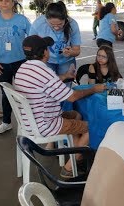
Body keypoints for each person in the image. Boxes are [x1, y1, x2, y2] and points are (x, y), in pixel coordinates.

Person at [14, 35, 106, 178]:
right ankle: (69, 168)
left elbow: (45, 84)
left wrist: (64, 76)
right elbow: (72, 96)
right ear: (45, 52)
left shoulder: (24, 68)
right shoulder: (45, 72)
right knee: (94, 127)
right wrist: (94, 89)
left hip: (30, 120)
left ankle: (76, 153)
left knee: (76, 115)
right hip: (46, 124)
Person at [0, 0, 32, 134]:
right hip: (1, 63)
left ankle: (28, 122)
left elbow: (32, 38)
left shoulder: (22, 20)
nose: (4, 3)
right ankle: (6, 122)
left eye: (7, 0)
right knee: (6, 93)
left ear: (12, 3)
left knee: (25, 92)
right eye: (0, 0)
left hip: (21, 62)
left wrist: (31, 60)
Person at [29, 1, 81, 83]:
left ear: (65, 19)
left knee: (65, 88)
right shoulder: (38, 24)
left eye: (60, 24)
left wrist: (71, 52)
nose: (56, 28)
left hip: (66, 61)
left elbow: (77, 50)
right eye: (52, 24)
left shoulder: (72, 24)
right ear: (46, 19)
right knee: (48, 85)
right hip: (46, 60)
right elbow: (31, 46)